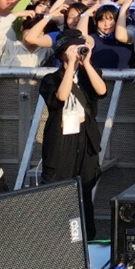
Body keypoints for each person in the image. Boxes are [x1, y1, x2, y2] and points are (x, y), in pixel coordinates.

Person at [38, 30, 107, 238]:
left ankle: (87, 237)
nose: (77, 52)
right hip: (61, 140)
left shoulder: (88, 74)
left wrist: (86, 63)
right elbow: (60, 97)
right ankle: (56, 237)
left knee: (84, 190)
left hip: (85, 139)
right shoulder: (50, 79)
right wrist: (69, 67)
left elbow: (102, 91)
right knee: (58, 190)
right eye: (73, 48)